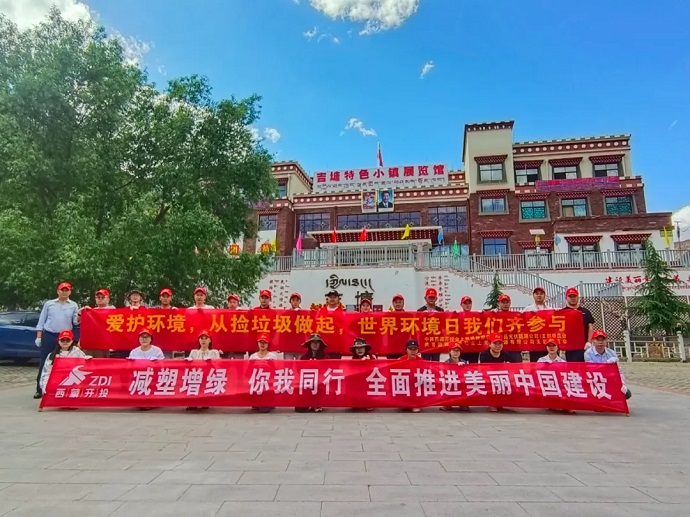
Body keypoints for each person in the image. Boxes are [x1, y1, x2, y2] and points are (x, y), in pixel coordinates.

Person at [34, 282, 80, 399]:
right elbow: (41, 320)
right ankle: (40, 389)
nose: (64, 292)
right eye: (62, 290)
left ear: (70, 292)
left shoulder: (73, 305)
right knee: (45, 360)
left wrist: (81, 315)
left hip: (66, 337)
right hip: (50, 335)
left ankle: (62, 388)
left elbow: (75, 322)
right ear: (58, 291)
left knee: (66, 362)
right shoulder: (49, 304)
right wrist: (39, 336)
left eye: (66, 290)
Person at [39, 330, 91, 395]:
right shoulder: (52, 356)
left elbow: (85, 367)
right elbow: (46, 373)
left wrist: (87, 360)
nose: (65, 342)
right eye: (62, 340)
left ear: (72, 341)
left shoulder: (77, 352)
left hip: (74, 386)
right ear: (58, 341)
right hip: (57, 385)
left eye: (68, 340)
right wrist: (44, 387)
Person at [585, 330, 632, 400]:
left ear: (606, 341)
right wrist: (607, 363)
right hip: (594, 381)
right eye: (598, 340)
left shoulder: (612, 353)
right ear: (593, 341)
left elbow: (619, 371)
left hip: (609, 380)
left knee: (627, 393)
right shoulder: (588, 353)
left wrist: (622, 383)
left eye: (603, 339)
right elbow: (591, 369)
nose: (600, 342)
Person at [478, 333, 519, 412]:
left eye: (500, 343)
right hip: (489, 378)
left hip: (502, 378)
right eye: (495, 344)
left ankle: (501, 402)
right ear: (489, 344)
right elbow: (482, 370)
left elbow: (515, 366)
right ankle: (492, 403)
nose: (498, 346)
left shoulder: (505, 354)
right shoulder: (484, 355)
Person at [186, 330, 220, 411]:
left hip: (208, 376)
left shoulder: (214, 352)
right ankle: (192, 402)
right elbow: (189, 367)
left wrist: (211, 363)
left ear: (210, 340)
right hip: (196, 376)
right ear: (199, 340)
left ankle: (205, 401)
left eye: (206, 338)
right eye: (201, 338)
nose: (203, 340)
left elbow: (218, 367)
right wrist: (188, 362)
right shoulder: (194, 352)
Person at [296, 334, 328, 413]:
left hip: (321, 383)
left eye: (317, 342)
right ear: (309, 344)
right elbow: (298, 370)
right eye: (313, 342)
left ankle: (317, 404)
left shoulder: (325, 357)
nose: (315, 344)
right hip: (307, 383)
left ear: (320, 344)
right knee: (299, 408)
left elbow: (327, 370)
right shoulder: (304, 357)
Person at [80, 288, 115, 358]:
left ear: (108, 299)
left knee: (101, 362)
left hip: (104, 344)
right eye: (98, 297)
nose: (100, 299)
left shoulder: (112, 310)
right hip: (90, 343)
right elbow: (84, 327)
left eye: (103, 297)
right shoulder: (90, 312)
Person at [563, 287, 595, 362]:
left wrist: (589, 342)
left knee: (585, 365)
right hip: (569, 347)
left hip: (584, 346)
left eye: (574, 296)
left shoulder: (585, 311)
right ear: (566, 298)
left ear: (578, 297)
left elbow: (590, 327)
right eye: (570, 296)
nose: (573, 298)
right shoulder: (563, 312)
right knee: (572, 366)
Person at [249, 334, 278, 413]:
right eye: (260, 342)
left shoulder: (273, 356)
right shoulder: (253, 356)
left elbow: (276, 371)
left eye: (264, 342)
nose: (262, 344)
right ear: (257, 343)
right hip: (256, 383)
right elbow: (248, 371)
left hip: (268, 384)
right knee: (256, 405)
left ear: (268, 344)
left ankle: (269, 402)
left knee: (264, 409)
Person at [440, 342, 470, 412]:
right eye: (454, 350)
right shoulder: (446, 363)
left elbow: (468, 375)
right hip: (450, 382)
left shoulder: (464, 362)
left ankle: (463, 403)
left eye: (458, 351)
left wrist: (464, 367)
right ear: (449, 351)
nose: (456, 352)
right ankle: (447, 403)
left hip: (461, 382)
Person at [523, 287, 550, 362]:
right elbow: (520, 321)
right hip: (534, 342)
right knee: (535, 364)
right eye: (537, 294)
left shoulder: (550, 309)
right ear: (533, 295)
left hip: (547, 342)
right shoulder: (528, 309)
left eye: (541, 294)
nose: (539, 295)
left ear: (544, 296)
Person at [398, 340, 423, 412]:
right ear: (406, 350)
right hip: (404, 384)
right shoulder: (400, 360)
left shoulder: (422, 362)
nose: (413, 351)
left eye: (415, 349)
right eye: (410, 349)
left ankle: (415, 403)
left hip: (416, 385)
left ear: (418, 350)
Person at [418, 288, 443, 361]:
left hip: (436, 341)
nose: (431, 299)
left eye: (433, 297)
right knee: (425, 363)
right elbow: (418, 327)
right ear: (425, 298)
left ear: (436, 298)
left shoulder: (440, 311)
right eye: (429, 297)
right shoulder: (420, 311)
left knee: (436, 363)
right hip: (425, 342)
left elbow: (443, 326)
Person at [459, 296, 479, 363]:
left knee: (473, 366)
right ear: (461, 305)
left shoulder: (477, 316)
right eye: (465, 303)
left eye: (469, 303)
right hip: (461, 347)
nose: (467, 305)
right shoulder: (457, 316)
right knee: (461, 366)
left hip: (473, 347)